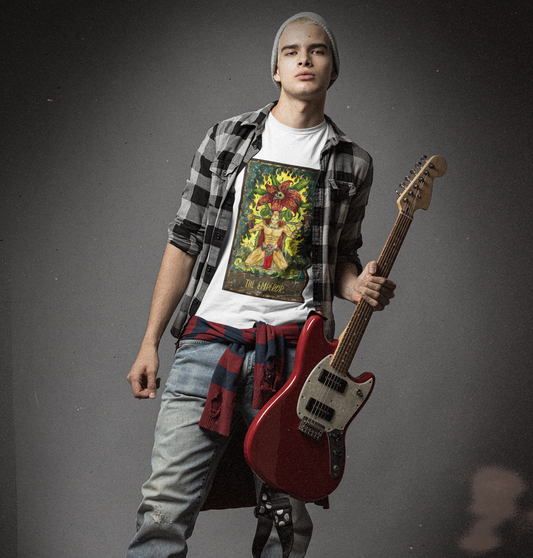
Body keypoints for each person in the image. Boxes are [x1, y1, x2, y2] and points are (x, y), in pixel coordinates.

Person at [126, 12, 396, 558]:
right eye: (292, 51)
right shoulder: (226, 139)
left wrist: (358, 287)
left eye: (317, 51)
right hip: (209, 346)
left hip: (296, 361)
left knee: (285, 528)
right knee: (163, 514)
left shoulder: (353, 164)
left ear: (332, 69)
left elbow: (340, 261)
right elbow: (183, 240)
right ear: (275, 68)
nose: (304, 59)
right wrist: (150, 341)